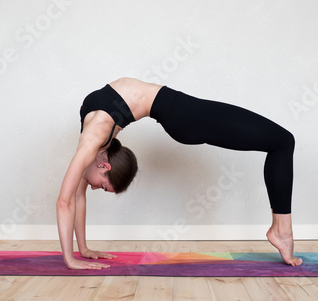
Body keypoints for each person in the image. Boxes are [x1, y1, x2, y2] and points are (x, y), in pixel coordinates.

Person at [56, 77, 303, 270]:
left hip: (186, 116)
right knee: (281, 142)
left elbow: (64, 202)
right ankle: (282, 230)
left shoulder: (92, 139)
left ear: (104, 166)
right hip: (180, 112)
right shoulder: (93, 141)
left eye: (102, 187)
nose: (93, 187)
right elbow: (76, 197)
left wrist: (70, 259)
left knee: (282, 141)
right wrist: (83, 249)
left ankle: (281, 231)